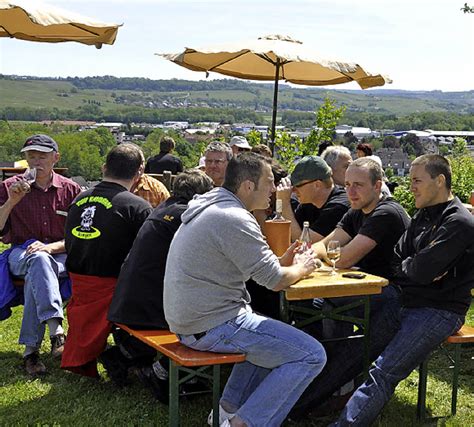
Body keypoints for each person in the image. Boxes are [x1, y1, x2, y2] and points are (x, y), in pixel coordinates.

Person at [164, 153, 326, 427]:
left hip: (189, 321)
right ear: (248, 186)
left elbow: (258, 266)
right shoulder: (234, 218)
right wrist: (304, 267)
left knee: (269, 341)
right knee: (311, 355)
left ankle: (226, 413)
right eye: (270, 182)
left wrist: (285, 262)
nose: (274, 189)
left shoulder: (213, 207)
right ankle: (244, 423)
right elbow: (274, 281)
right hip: (212, 324)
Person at [333, 154, 473, 426]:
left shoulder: (459, 223)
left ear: (440, 180)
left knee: (382, 372)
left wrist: (416, 268)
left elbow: (417, 270)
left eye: (417, 180)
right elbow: (399, 262)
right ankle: (298, 407)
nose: (411, 187)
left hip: (438, 311)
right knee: (353, 354)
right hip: (406, 302)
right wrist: (418, 267)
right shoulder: (422, 215)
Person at [290, 157, 410, 420]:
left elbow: (343, 258)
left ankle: (302, 405)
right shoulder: (356, 210)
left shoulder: (386, 213)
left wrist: (322, 256)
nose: (351, 192)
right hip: (366, 291)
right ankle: (330, 392)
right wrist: (322, 254)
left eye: (358, 185)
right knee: (311, 309)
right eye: (347, 185)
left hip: (395, 300)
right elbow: (322, 248)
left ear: (378, 186)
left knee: (349, 352)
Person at [105, 170, 214, 398]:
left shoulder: (166, 207)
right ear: (201, 196)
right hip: (149, 303)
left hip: (131, 297)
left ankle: (125, 354)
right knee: (205, 317)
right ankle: (162, 371)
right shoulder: (186, 216)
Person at [61, 143, 153, 378]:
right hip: (117, 287)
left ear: (105, 167)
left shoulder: (79, 199)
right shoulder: (137, 207)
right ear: (139, 172)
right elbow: (149, 255)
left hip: (79, 283)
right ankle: (128, 354)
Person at [0, 134, 81, 375]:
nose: (36, 162)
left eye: (42, 156)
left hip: (59, 254)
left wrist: (50, 248)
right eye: (31, 156)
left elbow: (78, 236)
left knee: (39, 265)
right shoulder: (9, 187)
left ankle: (31, 354)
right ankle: (57, 331)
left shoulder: (71, 189)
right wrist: (11, 202)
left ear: (56, 158)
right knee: (37, 259)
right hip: (20, 253)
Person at [277, 156, 350, 242]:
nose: (292, 190)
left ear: (317, 185)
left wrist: (285, 204)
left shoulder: (339, 206)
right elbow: (285, 238)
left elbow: (305, 245)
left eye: (297, 185)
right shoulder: (308, 204)